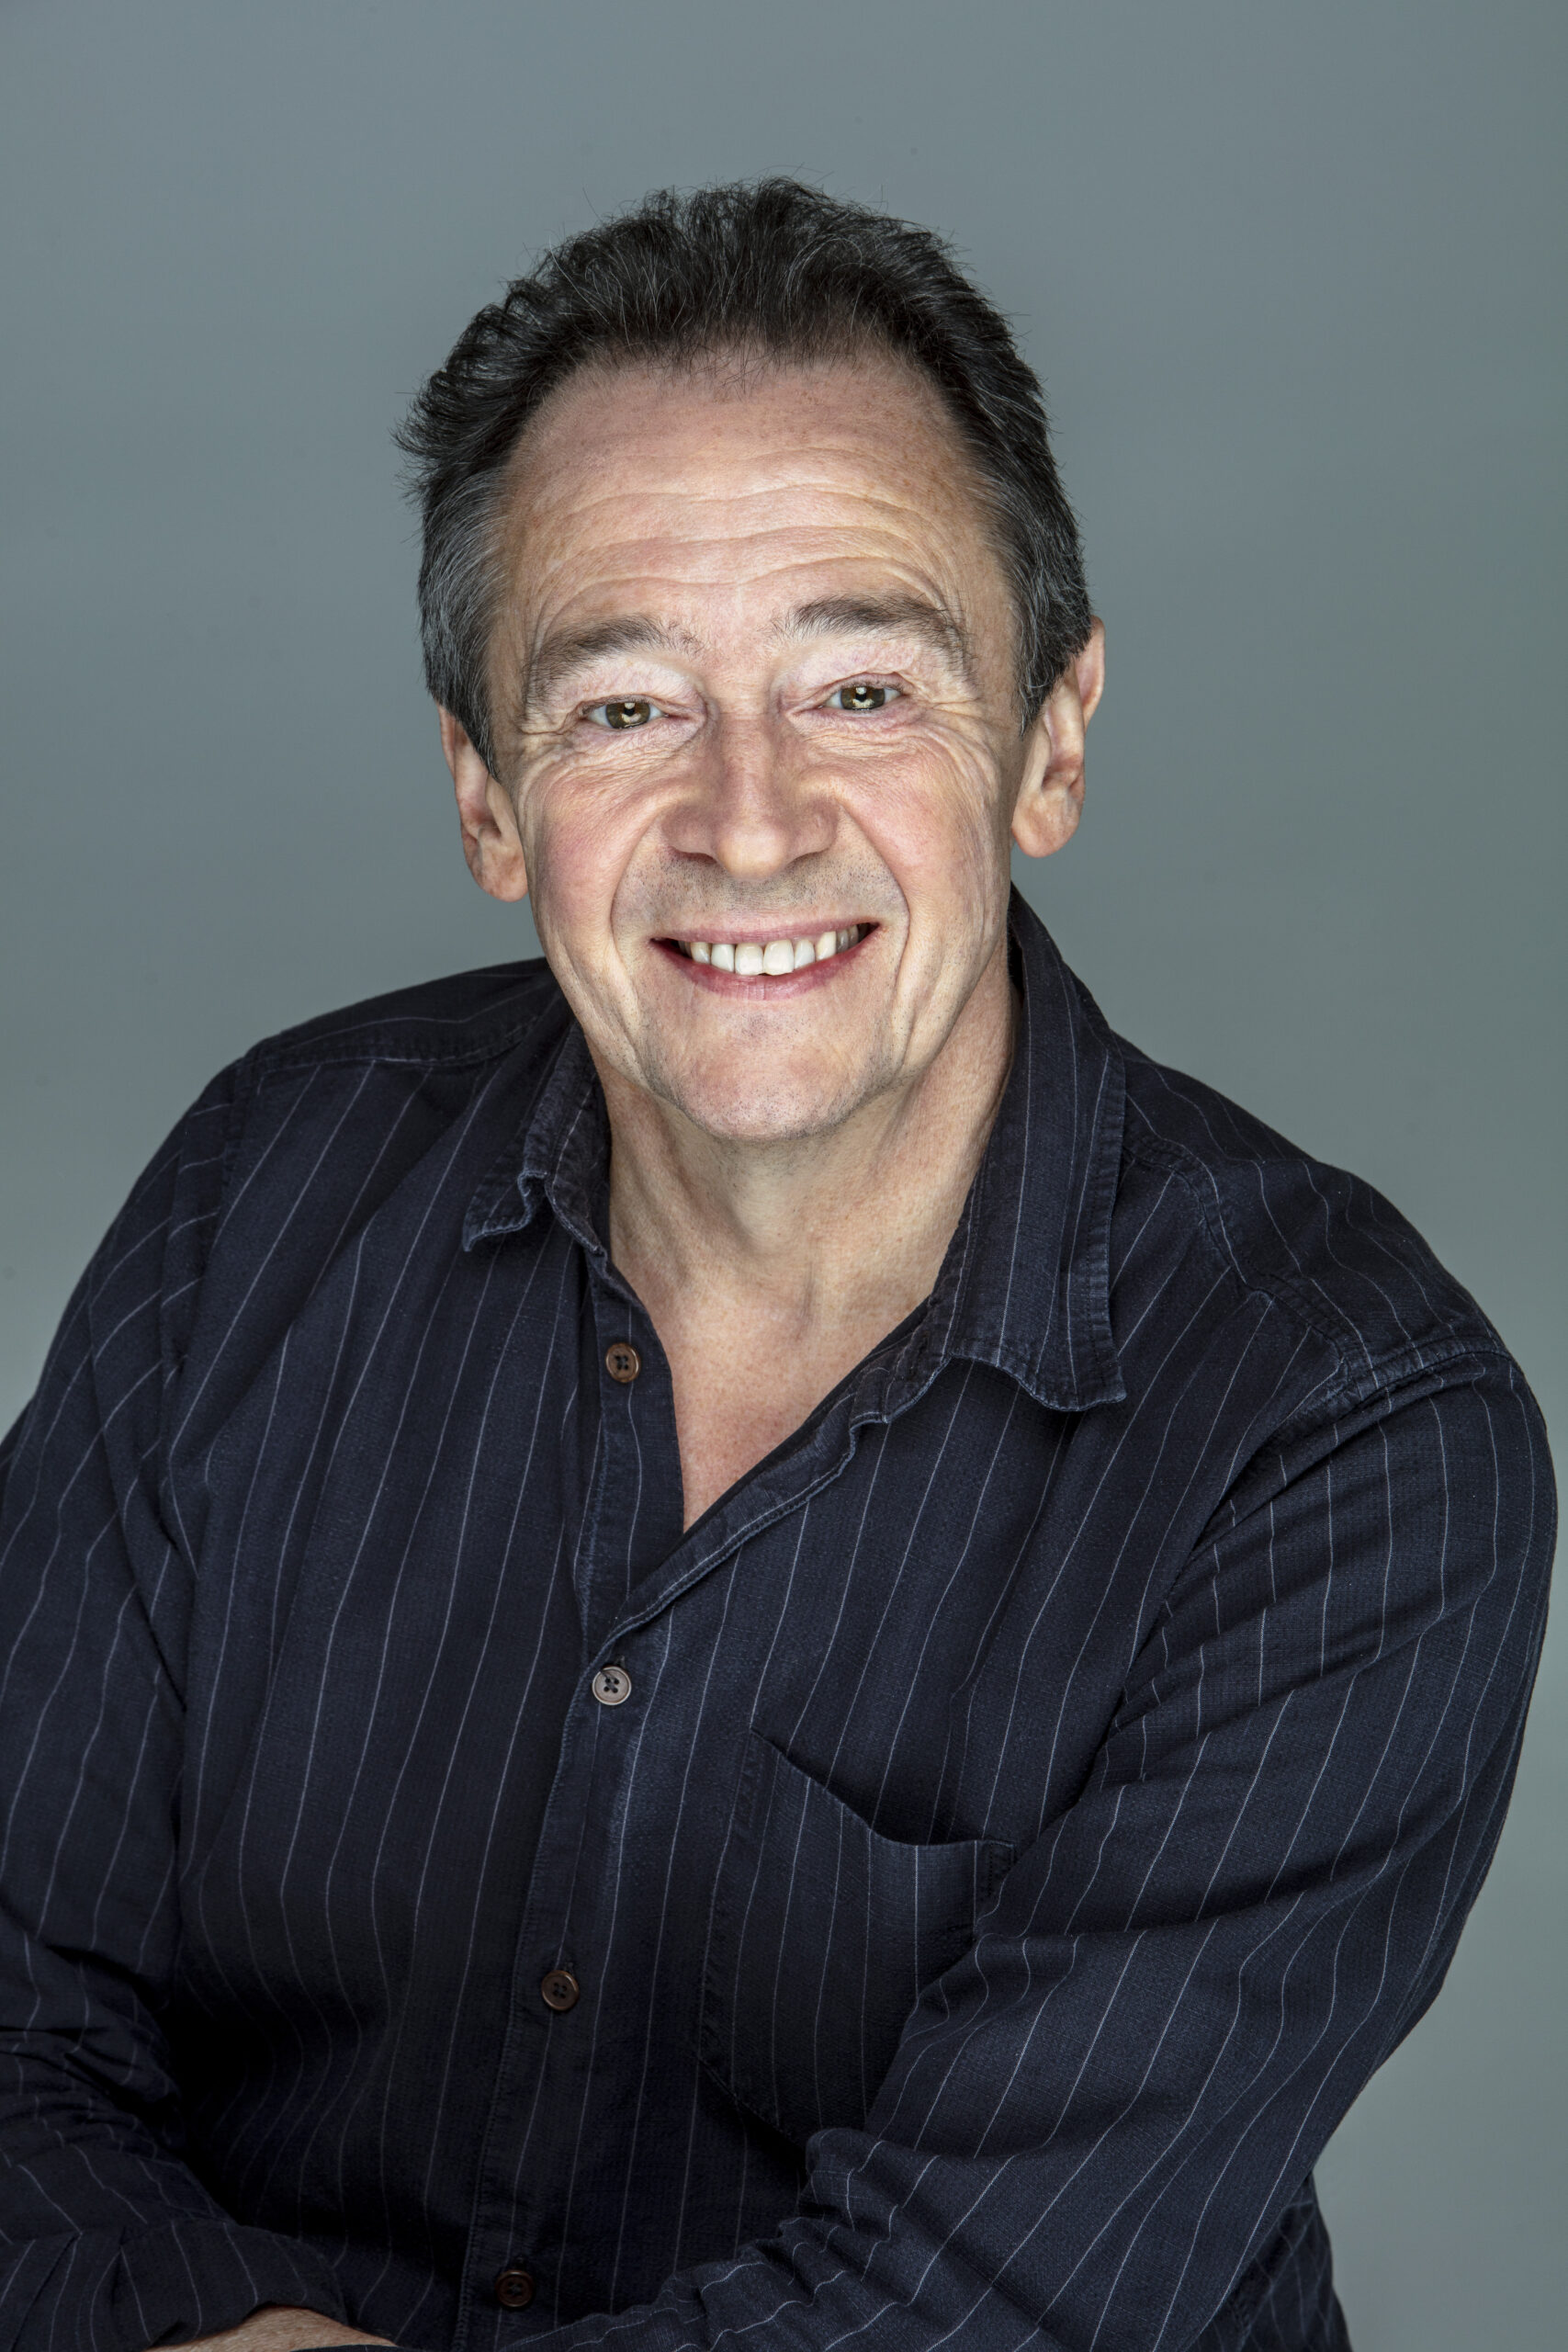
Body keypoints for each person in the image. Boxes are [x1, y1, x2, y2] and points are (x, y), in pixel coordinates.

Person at [0, 180, 1552, 2352]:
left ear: (1051, 739)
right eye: (624, 707)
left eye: (859, 687)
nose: (750, 819)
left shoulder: (1340, 1428)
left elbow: (964, 2306)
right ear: (484, 795)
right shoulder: (258, 1195)